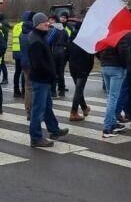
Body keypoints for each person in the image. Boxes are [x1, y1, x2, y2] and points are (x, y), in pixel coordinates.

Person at [26, 13, 69, 148]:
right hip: (40, 79)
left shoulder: (40, 36)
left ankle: (54, 130)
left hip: (44, 79)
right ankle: (36, 138)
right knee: (38, 109)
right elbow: (38, 63)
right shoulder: (36, 40)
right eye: (45, 22)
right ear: (38, 24)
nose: (47, 24)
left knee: (47, 107)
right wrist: (51, 73)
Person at [98, 32, 131, 138]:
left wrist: (103, 60)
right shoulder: (121, 35)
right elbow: (124, 52)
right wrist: (126, 66)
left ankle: (112, 123)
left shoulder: (105, 34)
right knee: (113, 97)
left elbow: (97, 49)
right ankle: (107, 128)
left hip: (105, 66)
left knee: (110, 96)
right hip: (117, 68)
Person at [67, 25, 94, 122]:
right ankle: (73, 112)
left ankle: (84, 108)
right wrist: (88, 69)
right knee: (78, 90)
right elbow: (90, 57)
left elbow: (67, 54)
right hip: (83, 68)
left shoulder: (71, 39)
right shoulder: (86, 40)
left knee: (79, 89)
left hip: (72, 67)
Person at [48, 12, 71, 97]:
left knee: (54, 71)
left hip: (54, 51)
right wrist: (64, 45)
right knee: (61, 72)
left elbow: (49, 41)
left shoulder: (54, 29)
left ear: (54, 20)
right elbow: (68, 40)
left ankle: (53, 91)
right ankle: (62, 90)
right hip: (62, 52)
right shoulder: (64, 30)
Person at [11, 11, 30, 99]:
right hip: (23, 51)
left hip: (15, 51)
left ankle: (16, 90)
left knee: (17, 72)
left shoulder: (16, 26)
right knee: (24, 72)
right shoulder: (27, 26)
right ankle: (24, 91)